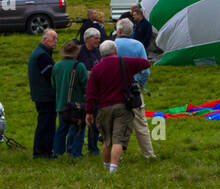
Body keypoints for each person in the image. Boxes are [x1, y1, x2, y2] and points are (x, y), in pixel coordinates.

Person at [85, 40, 152, 174]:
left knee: (106, 139)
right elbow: (145, 63)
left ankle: (105, 165)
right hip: (122, 106)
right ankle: (113, 170)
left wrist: (89, 112)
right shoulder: (125, 62)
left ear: (101, 54)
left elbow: (91, 93)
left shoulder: (97, 69)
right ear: (115, 51)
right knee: (118, 139)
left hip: (103, 108)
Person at [114, 18, 157, 160]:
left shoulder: (112, 44)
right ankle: (148, 154)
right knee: (141, 123)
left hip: (116, 87)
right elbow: (145, 70)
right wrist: (141, 84)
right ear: (131, 31)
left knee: (117, 123)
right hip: (134, 87)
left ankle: (116, 156)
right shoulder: (138, 46)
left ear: (118, 31)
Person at [51, 41, 88, 159]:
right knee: (78, 129)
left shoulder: (56, 66)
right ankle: (75, 152)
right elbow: (86, 85)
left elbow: (53, 84)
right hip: (76, 104)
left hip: (61, 103)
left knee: (61, 129)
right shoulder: (79, 66)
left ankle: (57, 152)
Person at [28, 29, 59, 158]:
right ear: (44, 39)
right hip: (45, 96)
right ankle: (41, 152)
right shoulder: (42, 55)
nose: (56, 42)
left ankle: (44, 150)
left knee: (46, 123)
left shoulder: (42, 53)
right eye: (54, 39)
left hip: (42, 95)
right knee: (46, 124)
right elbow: (50, 75)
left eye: (56, 39)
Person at [78, 28, 104, 156]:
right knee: (83, 120)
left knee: (95, 120)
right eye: (96, 38)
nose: (98, 41)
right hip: (83, 91)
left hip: (97, 90)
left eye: (99, 38)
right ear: (88, 38)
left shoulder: (98, 52)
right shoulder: (80, 52)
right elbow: (79, 71)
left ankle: (93, 147)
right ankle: (77, 147)